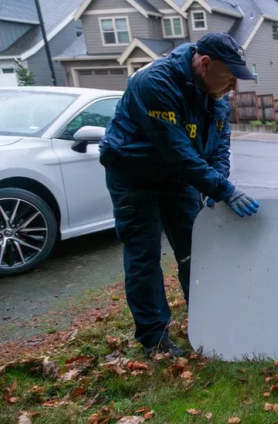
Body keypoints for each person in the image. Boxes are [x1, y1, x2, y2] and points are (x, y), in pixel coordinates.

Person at [99, 33, 260, 357]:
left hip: (178, 178)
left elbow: (219, 148)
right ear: (204, 64)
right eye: (229, 78)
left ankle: (207, 321)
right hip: (134, 175)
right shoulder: (154, 83)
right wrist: (222, 189)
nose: (233, 88)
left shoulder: (216, 98)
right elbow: (177, 151)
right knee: (144, 257)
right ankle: (154, 339)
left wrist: (218, 184)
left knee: (196, 252)